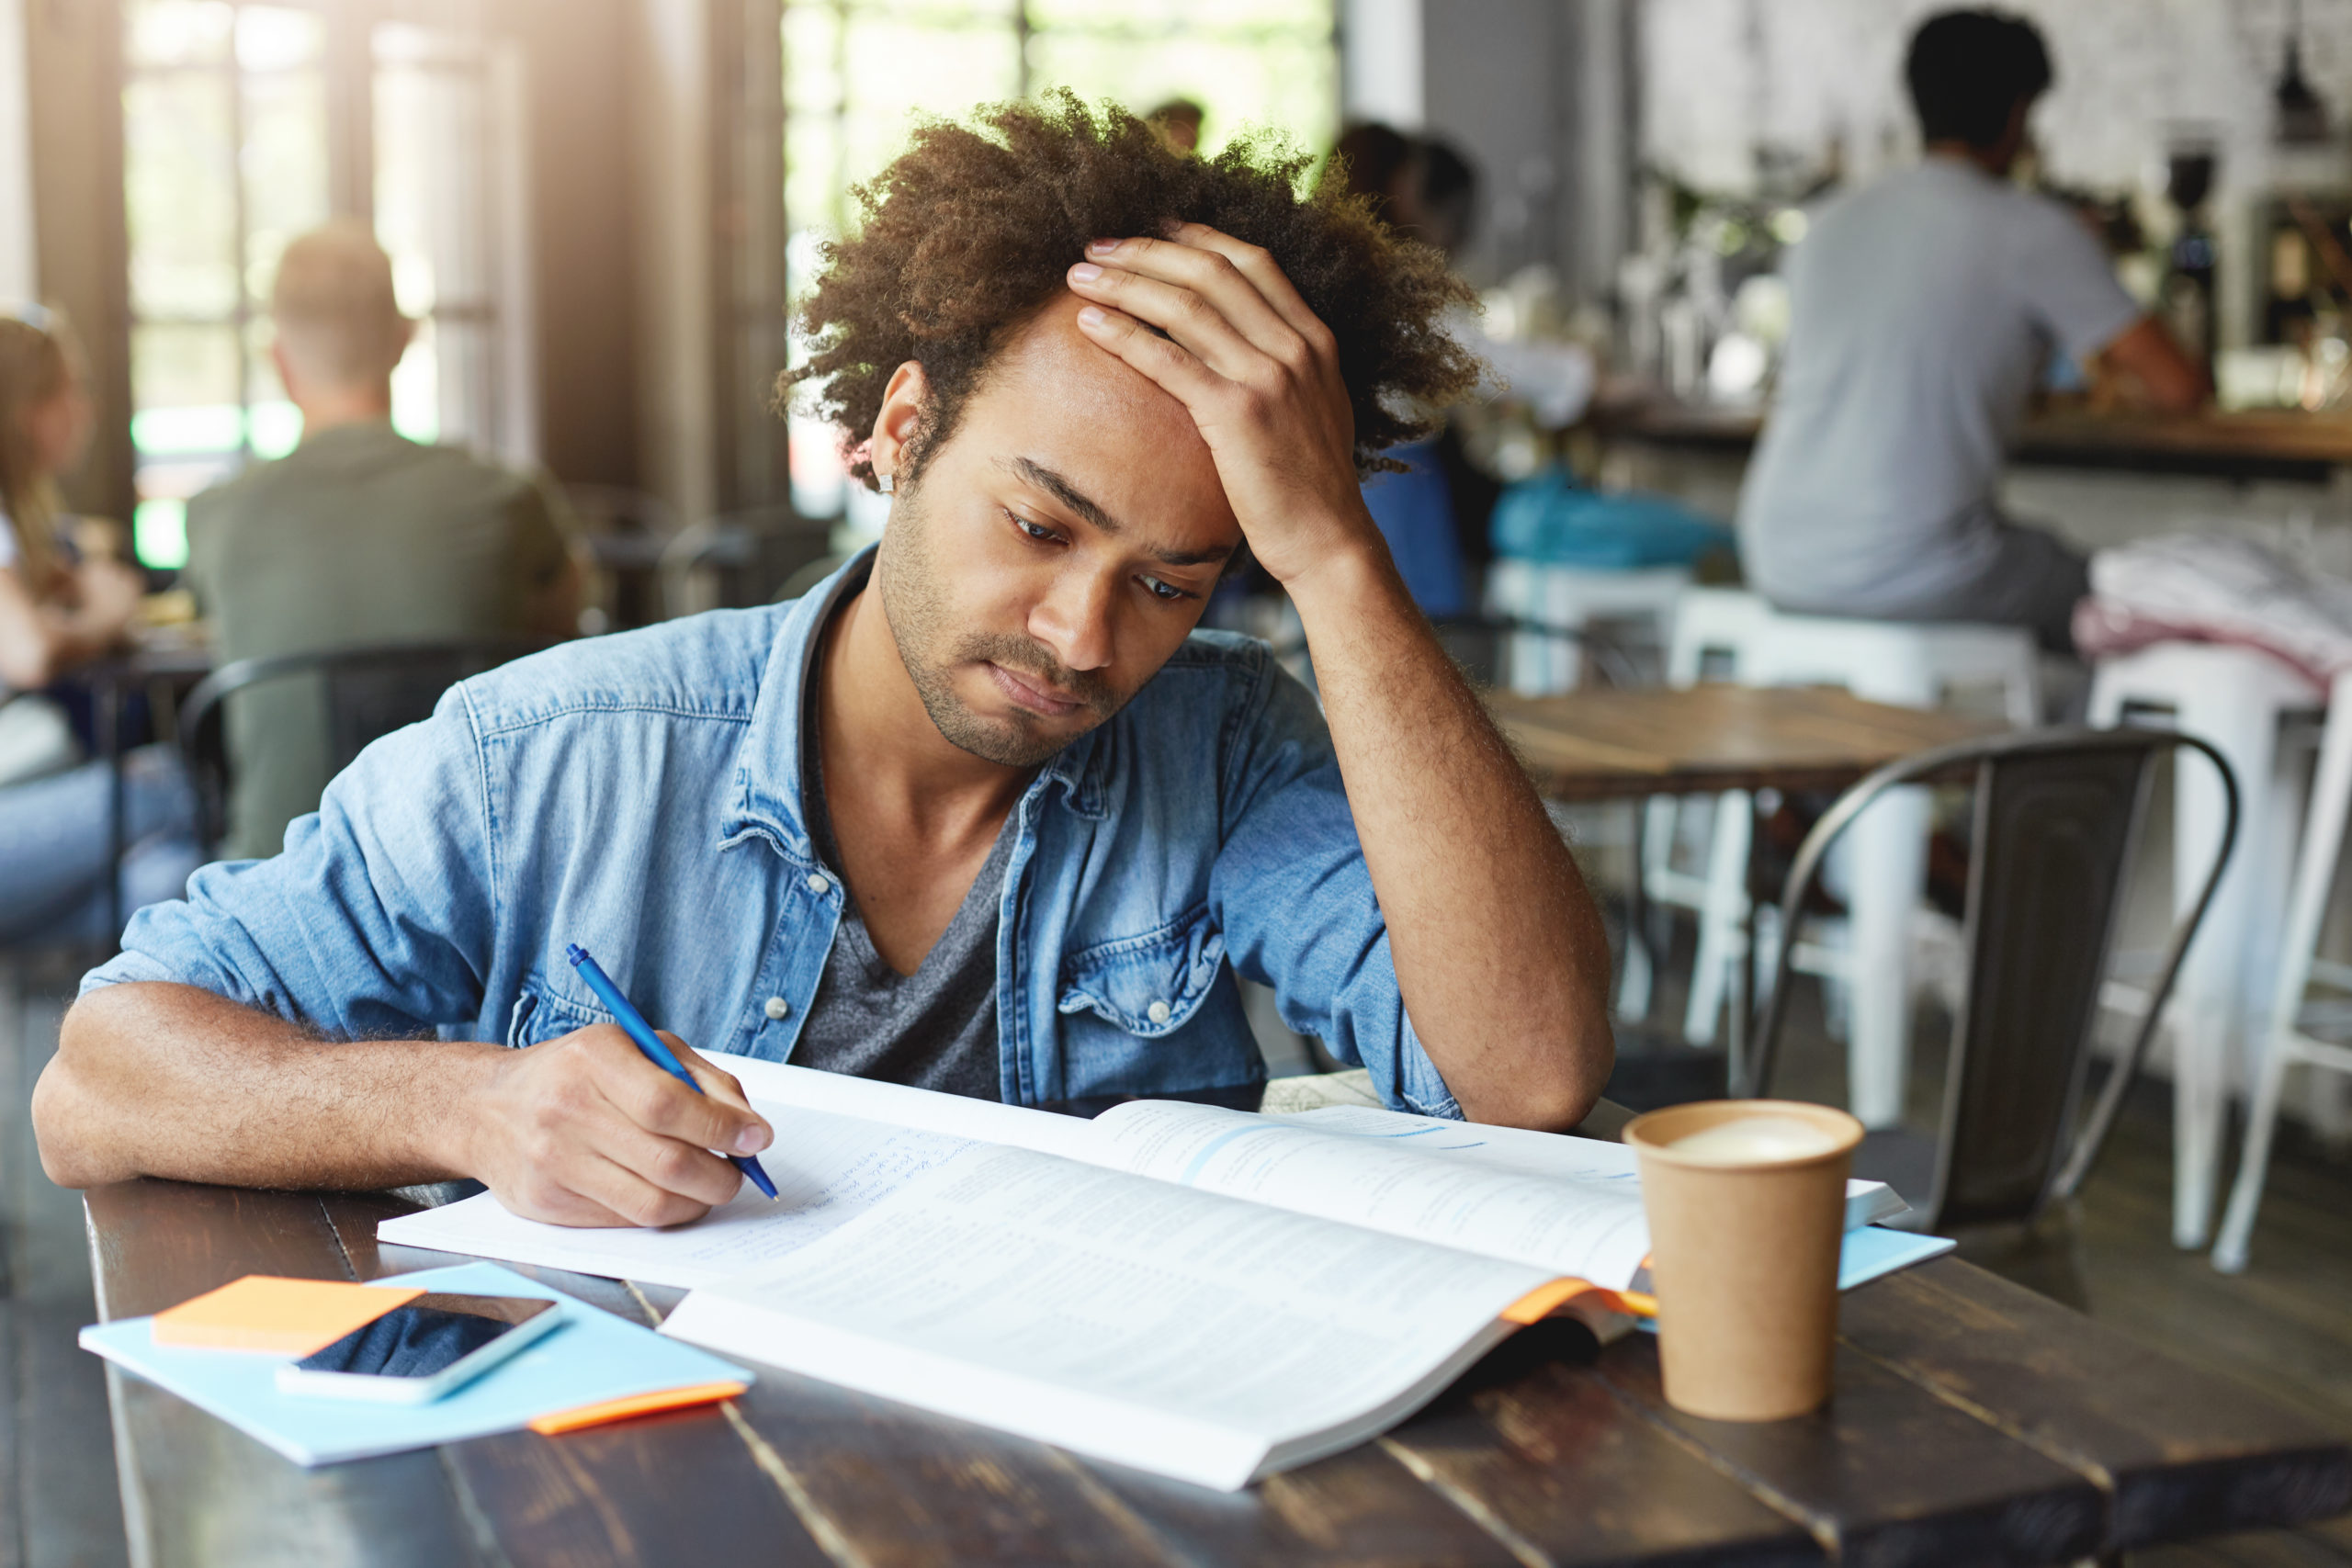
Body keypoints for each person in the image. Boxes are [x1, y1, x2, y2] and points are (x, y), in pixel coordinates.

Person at [34, 96, 1615, 1231]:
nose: (1083, 639)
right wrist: (468, 1105)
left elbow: (1527, 1073)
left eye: (1169, 580)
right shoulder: (554, 757)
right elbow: (95, 1081)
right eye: (1040, 525)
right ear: (902, 430)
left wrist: (1336, 552)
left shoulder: (1223, 745)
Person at [1736, 9, 2205, 652]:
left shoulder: (1826, 224)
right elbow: (2180, 387)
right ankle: (2070, 747)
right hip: (1916, 568)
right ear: (2018, 114)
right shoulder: (2032, 228)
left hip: (1776, 551)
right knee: (2119, 596)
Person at [182, 221, 582, 861]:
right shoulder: (509, 498)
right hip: (479, 876)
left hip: (277, 882)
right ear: (404, 341)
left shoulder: (213, 516)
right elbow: (568, 639)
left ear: (279, 361)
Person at [0, 306, 198, 945]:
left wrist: (74, 584)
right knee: (176, 785)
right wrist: (106, 618)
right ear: (30, 408)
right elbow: (27, 652)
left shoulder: (26, 524)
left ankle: (61, 1046)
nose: (86, 408)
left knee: (172, 882)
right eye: (72, 389)